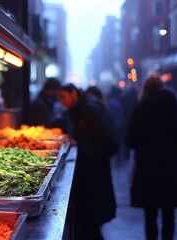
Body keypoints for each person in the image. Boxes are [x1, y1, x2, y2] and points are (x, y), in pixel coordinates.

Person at [125, 74, 177, 240]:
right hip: (172, 167)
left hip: (147, 168)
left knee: (150, 213)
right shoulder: (176, 107)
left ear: (145, 89)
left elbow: (130, 140)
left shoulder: (140, 110)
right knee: (169, 212)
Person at [58, 83, 118, 240]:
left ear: (73, 94)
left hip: (95, 179)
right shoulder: (81, 109)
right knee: (87, 227)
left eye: (63, 97)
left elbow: (110, 144)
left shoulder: (90, 108)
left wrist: (80, 151)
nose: (62, 102)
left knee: (90, 228)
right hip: (90, 178)